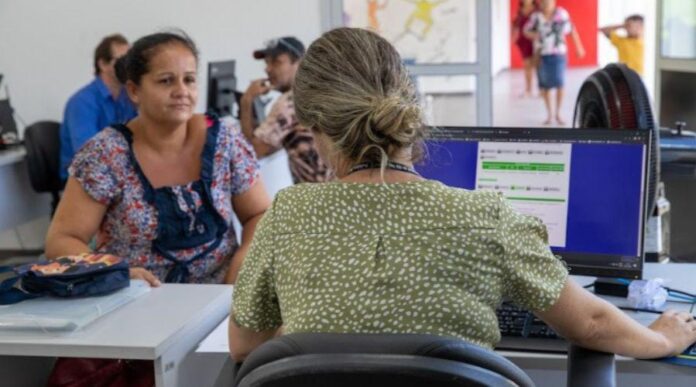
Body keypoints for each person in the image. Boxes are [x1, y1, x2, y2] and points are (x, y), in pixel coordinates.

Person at [228, 27, 696, 361]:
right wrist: (663, 340)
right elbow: (590, 324)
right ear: (409, 108)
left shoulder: (287, 214)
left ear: (310, 124)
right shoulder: (484, 216)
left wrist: (320, 328)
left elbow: (245, 344)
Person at [46, 31, 270, 285]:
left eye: (189, 80)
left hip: (223, 300)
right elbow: (62, 239)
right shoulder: (105, 155)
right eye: (166, 81)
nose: (181, 91)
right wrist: (115, 272)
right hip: (137, 305)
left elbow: (259, 214)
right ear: (133, 90)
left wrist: (245, 264)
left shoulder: (224, 141)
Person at [239, 36, 330, 184]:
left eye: (276, 61)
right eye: (267, 62)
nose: (268, 68)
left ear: (299, 62)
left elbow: (251, 155)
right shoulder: (320, 90)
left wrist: (246, 101)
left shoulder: (289, 103)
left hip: (318, 198)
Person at [59, 34, 137, 181]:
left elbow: (142, 137)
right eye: (121, 60)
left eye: (129, 60)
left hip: (117, 172)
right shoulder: (81, 102)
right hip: (81, 180)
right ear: (103, 64)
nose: (127, 66)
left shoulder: (127, 97)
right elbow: (89, 156)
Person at [524, 0, 585, 126]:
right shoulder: (536, 17)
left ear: (554, 2)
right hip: (541, 55)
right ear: (540, 3)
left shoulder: (561, 14)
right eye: (544, 2)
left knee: (560, 83)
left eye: (549, 2)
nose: (546, 4)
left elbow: (572, 30)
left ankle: (558, 113)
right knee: (545, 86)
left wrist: (579, 47)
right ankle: (549, 114)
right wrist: (535, 34)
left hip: (558, 53)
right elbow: (526, 31)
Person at [511, 0, 539, 98]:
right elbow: (515, 25)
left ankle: (541, 89)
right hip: (523, 42)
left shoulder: (537, 10)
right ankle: (528, 89)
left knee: (537, 66)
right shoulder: (520, 11)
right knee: (527, 66)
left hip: (535, 41)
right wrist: (513, 36)